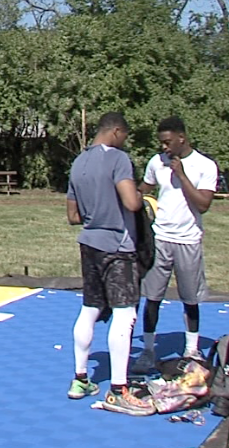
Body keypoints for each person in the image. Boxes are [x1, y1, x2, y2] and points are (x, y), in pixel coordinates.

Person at [65, 112, 151, 414]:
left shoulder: (78, 163)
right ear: (116, 131)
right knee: (124, 313)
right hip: (118, 246)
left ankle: (80, 379)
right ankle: (118, 389)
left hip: (89, 244)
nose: (125, 140)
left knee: (90, 308)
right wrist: (142, 194)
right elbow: (131, 202)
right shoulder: (118, 159)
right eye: (125, 135)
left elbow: (72, 216)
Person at [132, 116, 218, 372]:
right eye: (161, 143)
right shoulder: (156, 162)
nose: (164, 148)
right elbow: (143, 190)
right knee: (153, 297)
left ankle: (191, 351)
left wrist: (181, 175)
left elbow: (203, 204)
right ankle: (148, 351)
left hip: (188, 239)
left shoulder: (205, 165)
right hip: (161, 238)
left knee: (190, 298)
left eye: (168, 143)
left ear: (182, 138)